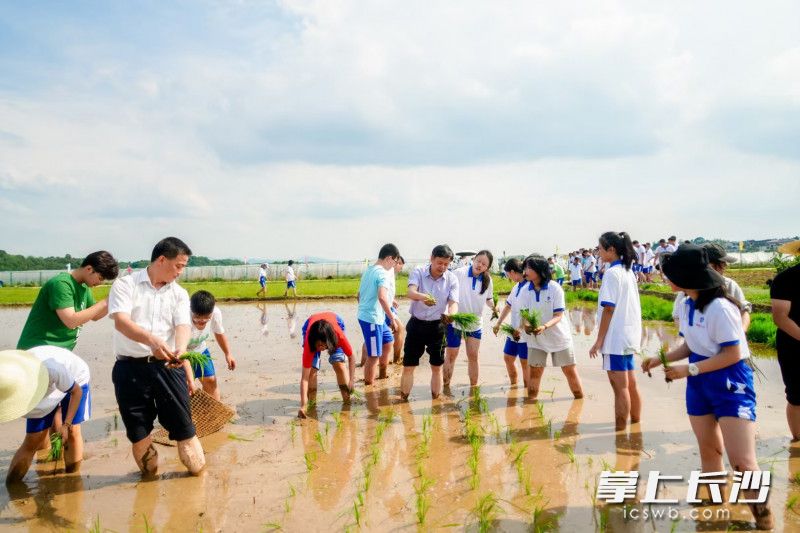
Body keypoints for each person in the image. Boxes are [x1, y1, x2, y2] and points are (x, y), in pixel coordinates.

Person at [643, 244, 772, 529]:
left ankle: (764, 520)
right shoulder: (688, 303)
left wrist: (687, 369)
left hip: (729, 381)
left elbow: (733, 354)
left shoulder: (721, 308)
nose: (665, 278)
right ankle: (714, 509)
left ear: (686, 277)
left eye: (669, 274)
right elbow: (691, 344)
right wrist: (658, 359)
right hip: (699, 381)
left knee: (743, 462)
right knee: (709, 450)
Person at [108, 237, 205, 477]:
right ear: (162, 260)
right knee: (139, 433)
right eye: (179, 266)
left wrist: (180, 350)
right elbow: (121, 322)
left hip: (168, 368)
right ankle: (149, 481)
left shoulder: (179, 294)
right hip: (129, 369)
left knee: (185, 429)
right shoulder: (125, 285)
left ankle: (198, 485)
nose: (180, 272)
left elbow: (183, 326)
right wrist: (152, 341)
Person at [3, 346, 91, 482]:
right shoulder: (7, 376)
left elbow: (76, 392)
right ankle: (12, 485)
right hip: (43, 386)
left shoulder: (52, 368)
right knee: (33, 439)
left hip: (75, 380)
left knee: (73, 432)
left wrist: (66, 424)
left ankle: (72, 479)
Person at [589, 232, 642, 431]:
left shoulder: (612, 273)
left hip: (615, 338)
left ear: (611, 250)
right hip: (629, 335)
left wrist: (599, 340)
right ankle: (636, 424)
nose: (599, 252)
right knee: (631, 384)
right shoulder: (628, 271)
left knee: (619, 387)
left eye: (600, 248)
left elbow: (608, 308)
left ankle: (620, 432)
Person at [17, 251, 119, 350]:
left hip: (57, 351)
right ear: (89, 269)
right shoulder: (62, 283)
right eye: (100, 278)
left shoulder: (83, 287)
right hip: (38, 349)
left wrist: (114, 298)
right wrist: (105, 301)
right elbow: (71, 321)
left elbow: (96, 315)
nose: (100, 283)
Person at [520, 255, 583, 400]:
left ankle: (579, 400)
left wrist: (544, 326)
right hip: (536, 339)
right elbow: (524, 315)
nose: (525, 271)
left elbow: (559, 315)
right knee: (535, 372)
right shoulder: (525, 291)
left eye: (529, 268)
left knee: (569, 370)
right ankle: (530, 406)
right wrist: (527, 325)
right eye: (525, 267)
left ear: (539, 270)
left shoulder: (555, 288)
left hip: (558, 337)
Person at [400, 244, 459, 400]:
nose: (443, 267)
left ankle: (435, 402)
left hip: (437, 327)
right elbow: (411, 292)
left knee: (436, 367)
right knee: (408, 366)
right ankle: (403, 400)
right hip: (416, 325)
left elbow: (453, 303)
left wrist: (451, 315)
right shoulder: (419, 271)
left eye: (446, 264)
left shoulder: (452, 279)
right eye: (439, 263)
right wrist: (423, 297)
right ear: (431, 258)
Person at [443, 250, 496, 388]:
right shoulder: (459, 273)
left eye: (484, 264)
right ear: (474, 259)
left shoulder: (488, 280)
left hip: (474, 323)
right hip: (455, 321)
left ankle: (474, 389)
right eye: (478, 261)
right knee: (451, 355)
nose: (480, 265)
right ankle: (446, 386)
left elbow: (489, 299)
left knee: (473, 356)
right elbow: (446, 292)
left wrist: (494, 307)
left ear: (487, 267)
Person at [356, 244, 401, 384]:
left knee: (388, 341)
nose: (394, 266)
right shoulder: (382, 273)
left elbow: (358, 295)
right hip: (372, 320)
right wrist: (392, 318)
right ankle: (369, 385)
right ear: (389, 258)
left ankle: (382, 375)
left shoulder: (369, 270)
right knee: (374, 355)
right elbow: (382, 297)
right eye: (394, 262)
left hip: (375, 317)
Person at [298, 311, 355, 418]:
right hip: (310, 326)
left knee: (339, 364)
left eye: (325, 345)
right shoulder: (309, 344)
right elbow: (304, 379)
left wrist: (352, 380)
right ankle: (311, 405)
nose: (322, 348)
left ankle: (347, 401)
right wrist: (303, 405)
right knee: (312, 371)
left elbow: (351, 357)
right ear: (314, 342)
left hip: (335, 322)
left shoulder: (338, 337)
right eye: (319, 345)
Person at [770, 239, 800, 441]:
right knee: (797, 395)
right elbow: (780, 317)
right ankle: (798, 440)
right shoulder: (786, 279)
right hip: (793, 344)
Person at [187, 290, 236, 401]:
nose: (201, 321)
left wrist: (228, 354)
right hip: (181, 352)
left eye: (206, 319)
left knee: (210, 380)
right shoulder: (182, 314)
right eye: (197, 318)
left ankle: (213, 415)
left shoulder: (216, 313)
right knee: (184, 386)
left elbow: (219, 333)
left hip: (200, 350)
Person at [492, 258, 529, 387]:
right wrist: (498, 323)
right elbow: (508, 306)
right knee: (508, 358)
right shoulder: (516, 288)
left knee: (525, 363)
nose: (508, 277)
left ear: (512, 271)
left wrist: (520, 328)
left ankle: (528, 391)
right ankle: (514, 386)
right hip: (513, 332)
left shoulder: (529, 287)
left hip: (525, 333)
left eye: (508, 274)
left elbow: (530, 311)